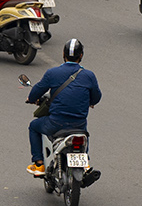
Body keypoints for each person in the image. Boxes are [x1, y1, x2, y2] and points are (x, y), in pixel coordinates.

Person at [24, 38, 102, 177]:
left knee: (34, 126)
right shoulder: (89, 75)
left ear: (63, 54)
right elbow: (96, 98)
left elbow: (37, 91)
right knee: (83, 132)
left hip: (55, 124)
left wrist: (31, 99)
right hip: (78, 124)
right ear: (81, 55)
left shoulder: (52, 73)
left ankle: (39, 164)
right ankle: (85, 163)